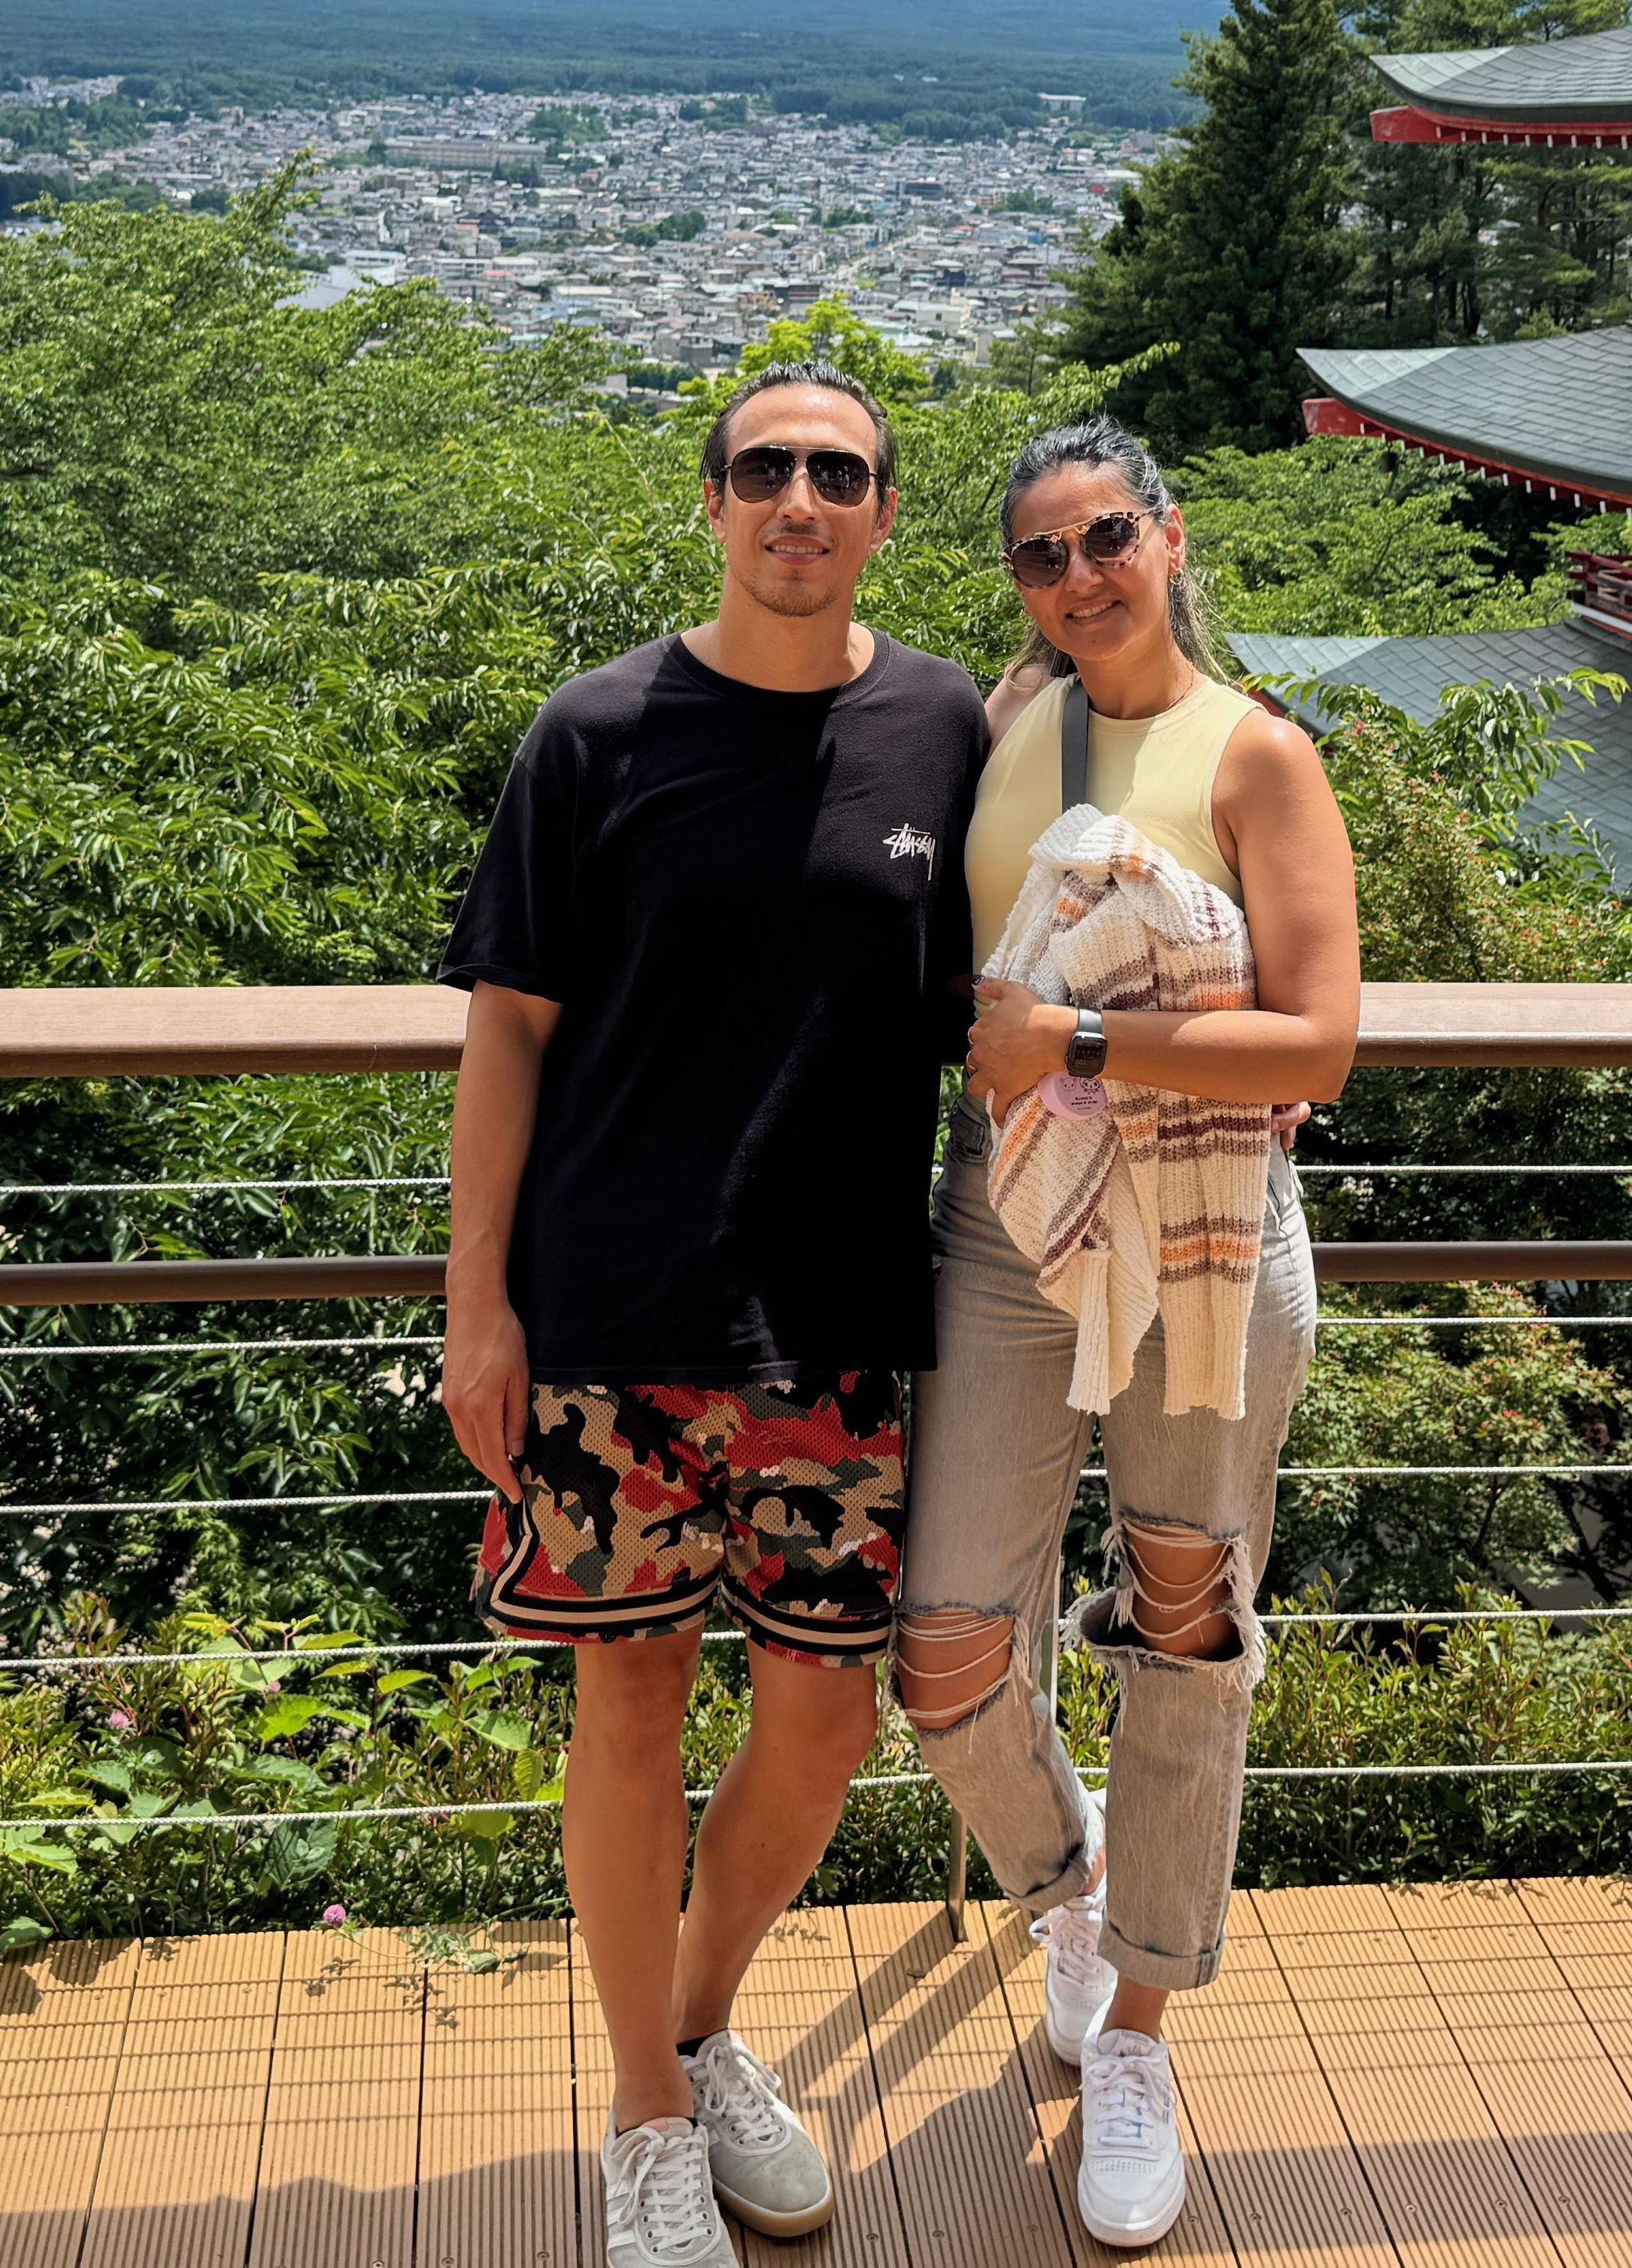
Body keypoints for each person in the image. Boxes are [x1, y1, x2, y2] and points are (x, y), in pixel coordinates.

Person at [438, 360, 990, 2268]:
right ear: (709, 498)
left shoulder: (943, 725)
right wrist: (477, 1307)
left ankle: (683, 2021)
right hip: (605, 1310)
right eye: (764, 466)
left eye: (837, 471)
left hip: (839, 1318)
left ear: (880, 516)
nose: (799, 498)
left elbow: (1023, 970)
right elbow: (506, 1029)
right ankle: (646, 2109)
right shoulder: (595, 733)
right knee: (627, 1696)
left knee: (827, 1718)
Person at [896, 414, 1359, 2251]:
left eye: (1104, 537)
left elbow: (1315, 1040)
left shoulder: (1258, 753)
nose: (1077, 574)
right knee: (941, 1637)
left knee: (1183, 1615)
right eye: (1038, 552)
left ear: (1169, 536)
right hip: (1005, 1220)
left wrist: (1085, 1044)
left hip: (1206, 1231)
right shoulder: (1003, 725)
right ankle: (1071, 1891)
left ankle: (1144, 2023)